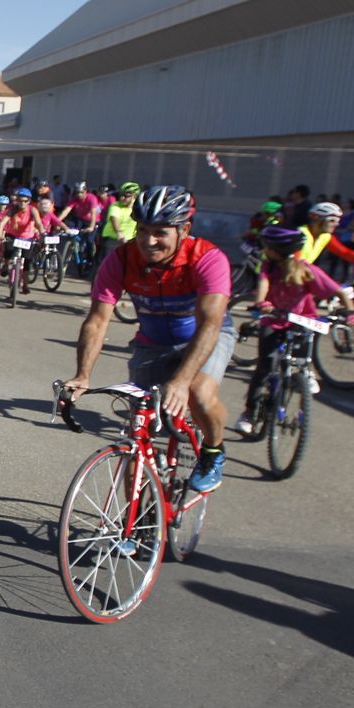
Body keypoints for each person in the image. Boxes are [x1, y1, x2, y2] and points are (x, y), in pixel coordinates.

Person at [65, 185, 233, 493]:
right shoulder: (122, 259)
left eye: (160, 232)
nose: (148, 241)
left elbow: (210, 324)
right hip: (152, 341)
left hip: (205, 334)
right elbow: (98, 320)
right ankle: (134, 527)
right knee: (137, 431)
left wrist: (182, 381)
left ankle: (213, 450)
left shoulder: (208, 259)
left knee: (199, 392)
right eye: (143, 230)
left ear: (185, 229)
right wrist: (82, 375)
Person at [236, 226, 354, 434]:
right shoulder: (269, 267)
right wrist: (261, 303)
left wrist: (351, 312)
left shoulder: (306, 269)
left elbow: (339, 291)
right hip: (273, 321)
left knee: (302, 350)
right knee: (265, 366)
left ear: (278, 250)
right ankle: (249, 411)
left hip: (300, 322)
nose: (265, 250)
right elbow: (263, 284)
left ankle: (305, 373)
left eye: (268, 247)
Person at [97, 181, 140, 265]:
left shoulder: (138, 209)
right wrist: (119, 233)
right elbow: (114, 218)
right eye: (121, 195)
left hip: (130, 241)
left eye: (126, 196)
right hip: (113, 239)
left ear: (134, 196)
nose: (122, 198)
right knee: (107, 265)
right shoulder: (115, 205)